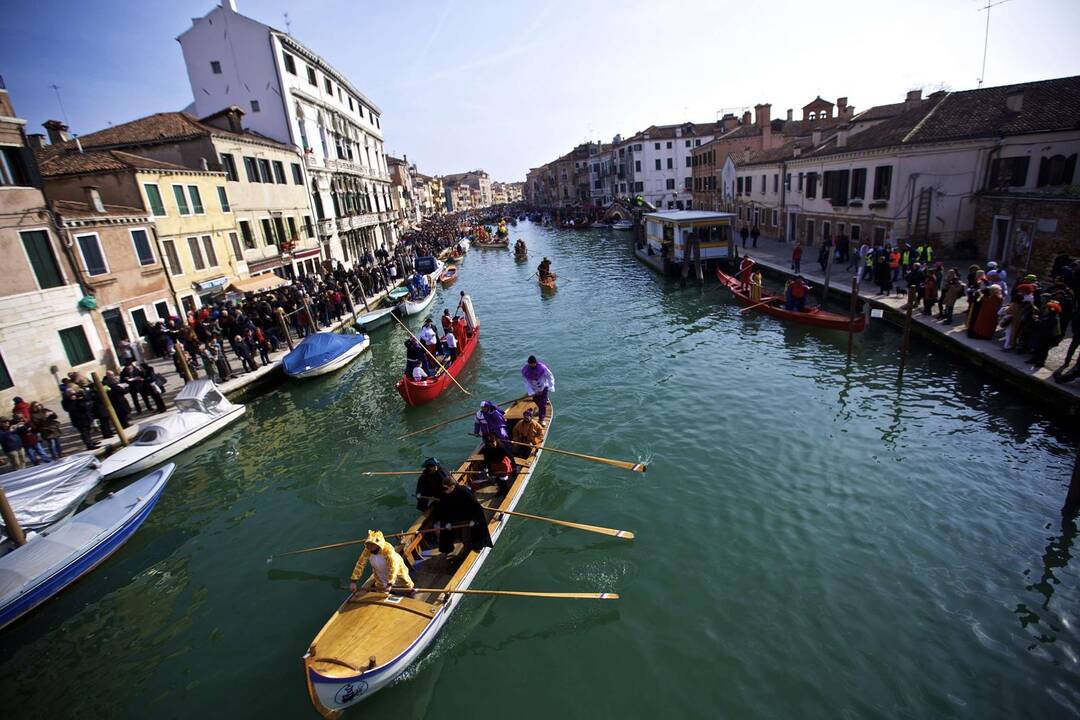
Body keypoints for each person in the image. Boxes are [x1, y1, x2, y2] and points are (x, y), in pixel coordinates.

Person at [431, 474, 493, 556]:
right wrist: (448, 522)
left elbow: (477, 508)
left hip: (467, 518)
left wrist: (474, 520)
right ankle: (448, 548)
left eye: (445, 488)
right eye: (443, 488)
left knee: (465, 538)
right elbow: (445, 510)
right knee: (451, 534)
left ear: (452, 486)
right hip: (455, 518)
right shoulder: (446, 493)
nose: (444, 490)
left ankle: (466, 553)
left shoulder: (464, 491)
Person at [348, 530, 414, 595]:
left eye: (372, 544)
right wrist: (353, 581)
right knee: (381, 589)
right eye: (368, 544)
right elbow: (360, 565)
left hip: (396, 572)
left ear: (378, 544)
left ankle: (410, 592)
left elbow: (393, 567)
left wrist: (390, 583)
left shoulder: (388, 550)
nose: (369, 546)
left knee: (406, 584)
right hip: (380, 574)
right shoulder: (367, 550)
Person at [521, 355, 555, 425]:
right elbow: (526, 382)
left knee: (542, 404)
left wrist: (550, 386)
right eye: (530, 364)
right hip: (534, 389)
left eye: (532, 364)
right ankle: (540, 411)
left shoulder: (542, 368)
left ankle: (541, 419)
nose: (531, 365)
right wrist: (531, 392)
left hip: (543, 387)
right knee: (536, 401)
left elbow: (550, 376)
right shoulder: (525, 370)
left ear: (535, 363)